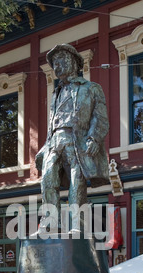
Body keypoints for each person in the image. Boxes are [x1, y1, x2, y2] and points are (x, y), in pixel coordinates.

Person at [35, 43, 109, 233]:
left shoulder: (92, 88)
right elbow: (52, 124)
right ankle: (50, 223)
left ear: (74, 62)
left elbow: (100, 117)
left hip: (78, 141)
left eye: (60, 62)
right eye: (54, 64)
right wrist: (45, 146)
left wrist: (94, 137)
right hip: (54, 142)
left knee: (77, 184)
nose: (57, 67)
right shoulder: (56, 93)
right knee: (48, 180)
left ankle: (78, 225)